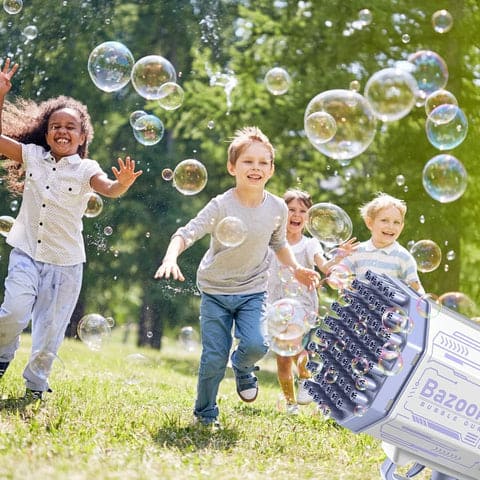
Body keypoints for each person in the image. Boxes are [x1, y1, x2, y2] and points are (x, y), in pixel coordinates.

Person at [154, 127, 320, 430]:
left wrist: (296, 268)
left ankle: (243, 367)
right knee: (214, 358)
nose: (255, 168)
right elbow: (186, 233)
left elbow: (279, 243)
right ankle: (205, 414)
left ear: (271, 169)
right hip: (216, 290)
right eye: (247, 161)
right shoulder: (221, 205)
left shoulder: (277, 208)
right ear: (233, 167)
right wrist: (170, 257)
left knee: (257, 344)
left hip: (253, 290)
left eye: (262, 162)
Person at [0, 58, 143, 400]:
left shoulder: (85, 168)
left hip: (66, 264)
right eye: (55, 126)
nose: (62, 131)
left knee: (50, 331)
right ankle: (2, 355)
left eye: (70, 127)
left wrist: (121, 184)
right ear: (46, 132)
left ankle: (36, 384)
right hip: (26, 252)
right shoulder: (31, 155)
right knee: (13, 311)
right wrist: (1, 93)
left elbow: (107, 188)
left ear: (82, 137)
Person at [267, 189, 358, 414]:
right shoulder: (270, 242)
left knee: (294, 345)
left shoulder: (310, 245)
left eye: (302, 211)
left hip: (303, 305)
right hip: (274, 305)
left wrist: (339, 258)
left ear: (308, 218)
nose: (296, 215)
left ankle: (306, 378)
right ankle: (290, 404)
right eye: (291, 210)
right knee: (283, 360)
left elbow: (325, 266)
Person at [339, 192, 424, 293]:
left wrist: (419, 297)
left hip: (389, 308)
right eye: (384, 220)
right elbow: (339, 275)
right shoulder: (357, 251)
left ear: (401, 227)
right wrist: (342, 280)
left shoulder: (403, 257)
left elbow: (416, 289)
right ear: (370, 223)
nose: (390, 226)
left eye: (396, 222)